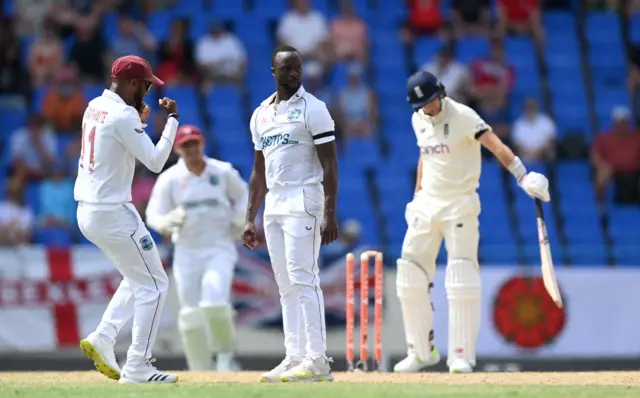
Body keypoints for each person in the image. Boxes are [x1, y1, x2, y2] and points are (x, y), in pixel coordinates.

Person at [394, 70, 550, 374]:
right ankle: (421, 352)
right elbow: (424, 159)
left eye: (430, 102)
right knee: (409, 276)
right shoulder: (418, 120)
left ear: (440, 93)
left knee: (462, 277)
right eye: (421, 105)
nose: (428, 109)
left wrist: (523, 175)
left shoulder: (463, 115)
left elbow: (495, 145)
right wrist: (416, 197)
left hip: (460, 204)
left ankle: (461, 356)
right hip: (427, 206)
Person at [74, 55, 180, 384]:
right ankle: (138, 365)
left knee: (137, 277)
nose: (148, 92)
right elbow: (156, 160)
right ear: (132, 83)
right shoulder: (122, 115)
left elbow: (116, 144)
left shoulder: (95, 105)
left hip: (88, 211)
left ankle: (104, 336)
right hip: (113, 212)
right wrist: (172, 120)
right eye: (146, 85)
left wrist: (142, 123)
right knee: (155, 284)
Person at [243, 45, 339, 383]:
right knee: (284, 285)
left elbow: (330, 164)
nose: (294, 73)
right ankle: (294, 355)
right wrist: (249, 216)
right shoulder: (260, 114)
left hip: (304, 198)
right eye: (286, 68)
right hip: (275, 203)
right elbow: (258, 171)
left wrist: (329, 212)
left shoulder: (315, 109)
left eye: (297, 67)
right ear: (273, 72)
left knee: (304, 277)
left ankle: (318, 359)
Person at [145, 125, 248, 372]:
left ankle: (225, 357)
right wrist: (166, 223)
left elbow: (246, 196)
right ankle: (199, 369)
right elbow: (152, 214)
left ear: (202, 144)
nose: (191, 149)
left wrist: (240, 218)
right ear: (178, 149)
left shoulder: (222, 171)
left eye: (195, 144)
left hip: (219, 245)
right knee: (190, 313)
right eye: (186, 145)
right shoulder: (170, 178)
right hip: (187, 250)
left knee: (215, 302)